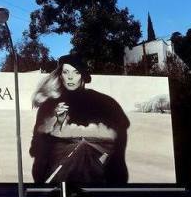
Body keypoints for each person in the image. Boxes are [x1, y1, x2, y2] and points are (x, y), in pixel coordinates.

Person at [29, 54, 130, 185]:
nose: (70, 77)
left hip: (99, 187)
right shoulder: (49, 105)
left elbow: (118, 144)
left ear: (82, 74)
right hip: (57, 187)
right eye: (66, 72)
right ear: (60, 75)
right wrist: (58, 122)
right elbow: (38, 147)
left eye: (76, 72)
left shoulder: (104, 103)